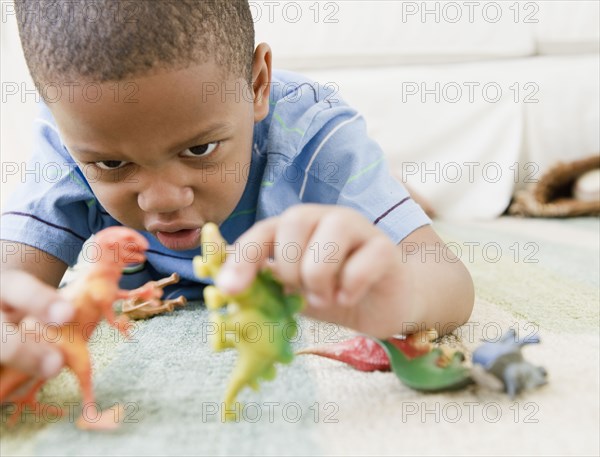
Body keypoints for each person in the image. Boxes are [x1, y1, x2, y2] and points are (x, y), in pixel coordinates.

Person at [0, 1, 474, 381]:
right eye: (112, 164)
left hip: (310, 172)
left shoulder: (317, 138)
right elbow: (11, 281)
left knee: (368, 206)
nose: (163, 200)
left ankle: (394, 195)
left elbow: (449, 284)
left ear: (257, 85)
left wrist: (400, 299)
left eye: (200, 148)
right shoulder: (67, 145)